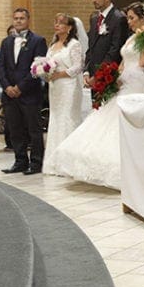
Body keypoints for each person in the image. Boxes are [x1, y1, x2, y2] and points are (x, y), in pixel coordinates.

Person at [52, 2, 144, 189]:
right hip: (123, 80)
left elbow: (143, 64)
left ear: (142, 18)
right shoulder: (131, 38)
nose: (129, 22)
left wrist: (124, 77)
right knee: (107, 116)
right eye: (128, 18)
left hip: (137, 82)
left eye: (132, 18)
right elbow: (123, 61)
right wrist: (114, 77)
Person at [0, 8, 48, 175]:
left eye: (21, 18)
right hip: (10, 94)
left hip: (29, 93)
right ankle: (20, 161)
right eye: (16, 18)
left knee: (34, 130)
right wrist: (7, 87)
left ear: (28, 20)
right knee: (15, 129)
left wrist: (20, 87)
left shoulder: (38, 41)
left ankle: (36, 162)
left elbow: (38, 68)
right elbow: (0, 67)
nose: (18, 21)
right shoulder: (6, 42)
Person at [42, 14, 84, 176]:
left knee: (67, 118)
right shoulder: (53, 45)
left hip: (68, 86)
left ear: (69, 27)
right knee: (56, 119)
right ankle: (54, 161)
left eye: (61, 23)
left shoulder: (74, 44)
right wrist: (44, 73)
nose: (57, 25)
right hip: (55, 88)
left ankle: (69, 162)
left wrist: (60, 74)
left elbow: (78, 66)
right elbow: (47, 64)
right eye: (56, 22)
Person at [84, 0, 129, 84]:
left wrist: (98, 75)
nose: (93, 0)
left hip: (108, 76)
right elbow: (91, 47)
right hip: (92, 74)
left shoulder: (118, 18)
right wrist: (86, 71)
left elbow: (115, 50)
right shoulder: (94, 19)